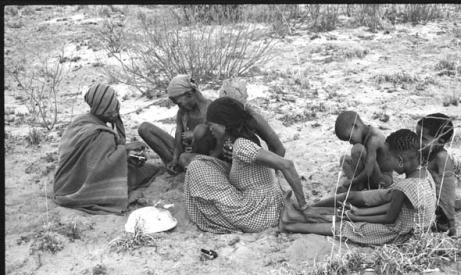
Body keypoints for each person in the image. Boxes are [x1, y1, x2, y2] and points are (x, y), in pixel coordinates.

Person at [280, 129, 437, 246]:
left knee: (346, 228)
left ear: (401, 161)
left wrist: (357, 217)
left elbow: (389, 218)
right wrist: (359, 212)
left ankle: (291, 225)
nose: (387, 162)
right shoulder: (425, 174)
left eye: (389, 158)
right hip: (407, 223)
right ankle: (306, 213)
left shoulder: (405, 186)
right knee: (351, 204)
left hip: (399, 234)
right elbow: (393, 206)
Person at [184, 97, 306, 234]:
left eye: (212, 125)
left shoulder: (242, 145)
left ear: (224, 124)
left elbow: (287, 165)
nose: (210, 129)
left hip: (258, 213)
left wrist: (303, 206)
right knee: (202, 164)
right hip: (266, 204)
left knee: (195, 167)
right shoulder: (243, 137)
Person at [53, 83, 160, 214]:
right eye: (113, 108)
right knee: (150, 170)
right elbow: (102, 168)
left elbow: (92, 158)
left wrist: (124, 152)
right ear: (105, 109)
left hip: (64, 182)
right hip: (81, 188)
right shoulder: (102, 134)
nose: (116, 111)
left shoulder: (80, 122)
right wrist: (125, 152)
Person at [138, 74, 211, 174]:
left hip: (205, 157)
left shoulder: (211, 108)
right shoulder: (182, 112)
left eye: (179, 103)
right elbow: (178, 136)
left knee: (186, 154)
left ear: (190, 94)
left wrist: (196, 135)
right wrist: (175, 159)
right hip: (185, 154)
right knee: (144, 128)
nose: (179, 107)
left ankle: (186, 166)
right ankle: (176, 165)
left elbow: (219, 138)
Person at [416, 113, 457, 236]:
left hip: (438, 212)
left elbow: (447, 195)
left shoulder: (441, 158)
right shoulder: (425, 152)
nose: (417, 141)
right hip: (425, 200)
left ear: (441, 141)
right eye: (416, 136)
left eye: (423, 138)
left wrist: (451, 223)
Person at [335, 110, 393, 192]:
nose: (350, 142)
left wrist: (351, 182)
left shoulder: (374, 139)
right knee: (344, 159)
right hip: (369, 175)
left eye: (350, 138)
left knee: (357, 149)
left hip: (382, 179)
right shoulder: (363, 134)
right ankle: (358, 185)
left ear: (355, 126)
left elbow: (368, 172)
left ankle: (356, 185)